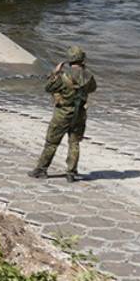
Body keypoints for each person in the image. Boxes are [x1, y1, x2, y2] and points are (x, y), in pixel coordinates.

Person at [29, 47, 98, 182]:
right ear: (82, 59)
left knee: (51, 143)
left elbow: (48, 88)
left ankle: (41, 170)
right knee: (74, 143)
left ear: (69, 60)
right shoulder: (88, 76)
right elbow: (93, 88)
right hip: (79, 114)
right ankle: (71, 173)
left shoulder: (63, 76)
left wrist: (55, 72)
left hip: (62, 113)